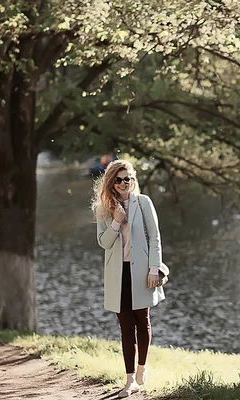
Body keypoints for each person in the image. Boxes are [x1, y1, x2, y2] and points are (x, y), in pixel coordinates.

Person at [91, 159, 169, 398]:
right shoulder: (103, 209)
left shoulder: (143, 202)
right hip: (117, 274)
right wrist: (116, 220)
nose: (125, 183)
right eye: (120, 179)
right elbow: (103, 242)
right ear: (112, 182)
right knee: (125, 327)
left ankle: (141, 369)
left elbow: (155, 237)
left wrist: (154, 268)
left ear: (133, 180)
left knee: (142, 320)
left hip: (142, 271)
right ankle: (129, 381)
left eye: (129, 179)